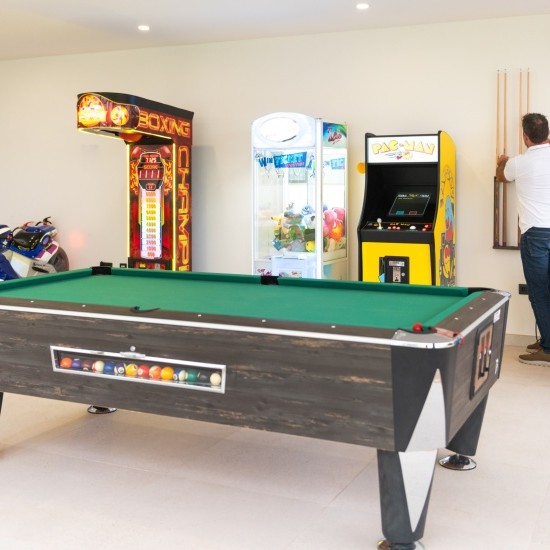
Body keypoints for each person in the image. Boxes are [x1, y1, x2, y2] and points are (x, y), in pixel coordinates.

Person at [496, 112, 550, 366]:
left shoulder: (518, 163)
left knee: (539, 292)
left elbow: (501, 177)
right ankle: (546, 339)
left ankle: (547, 349)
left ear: (526, 137)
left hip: (535, 234)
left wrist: (502, 161)